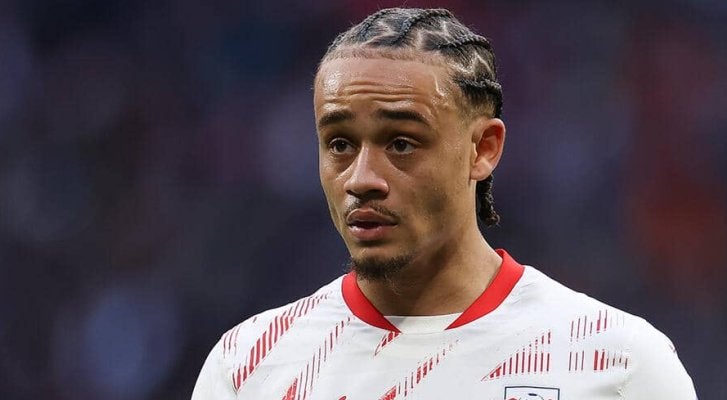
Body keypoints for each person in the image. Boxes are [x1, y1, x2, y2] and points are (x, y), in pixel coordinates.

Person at [192, 8, 696, 399]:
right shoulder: (248, 366)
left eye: (401, 143)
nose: (362, 179)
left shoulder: (617, 363)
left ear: (483, 149)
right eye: (340, 144)